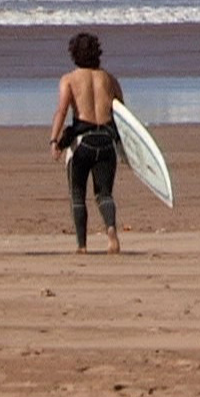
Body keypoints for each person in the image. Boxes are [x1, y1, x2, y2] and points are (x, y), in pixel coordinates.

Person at [48, 32, 123, 255]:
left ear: (74, 54)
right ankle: (111, 231)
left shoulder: (69, 80)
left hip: (82, 144)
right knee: (104, 194)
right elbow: (121, 113)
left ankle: (82, 246)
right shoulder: (109, 79)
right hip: (107, 143)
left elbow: (62, 111)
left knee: (78, 194)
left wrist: (55, 140)